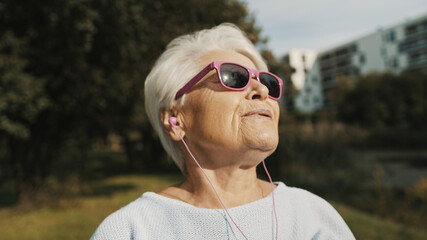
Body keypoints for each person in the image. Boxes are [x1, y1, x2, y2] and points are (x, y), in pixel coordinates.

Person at [90, 23, 355, 240]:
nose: (262, 91)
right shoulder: (130, 230)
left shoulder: (312, 216)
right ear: (175, 118)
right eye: (234, 77)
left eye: (267, 82)